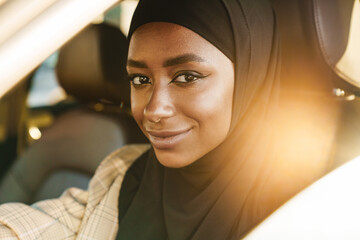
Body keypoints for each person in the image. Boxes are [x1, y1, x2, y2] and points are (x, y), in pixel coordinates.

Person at [0, 0, 327, 239]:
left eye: (187, 77)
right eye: (140, 80)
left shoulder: (315, 205)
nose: (154, 110)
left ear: (250, 80)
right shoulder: (127, 173)